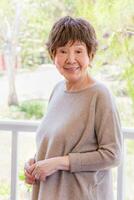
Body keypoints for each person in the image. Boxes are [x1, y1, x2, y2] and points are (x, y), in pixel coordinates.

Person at [24, 16, 123, 200]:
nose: (71, 59)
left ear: (90, 54)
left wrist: (60, 163)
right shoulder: (57, 91)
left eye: (78, 51)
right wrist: (35, 162)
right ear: (53, 55)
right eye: (62, 51)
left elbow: (113, 155)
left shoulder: (100, 95)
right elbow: (56, 142)